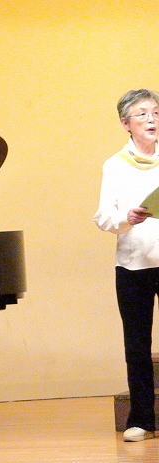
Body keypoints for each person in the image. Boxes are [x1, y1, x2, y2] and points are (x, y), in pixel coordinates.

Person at [94, 89, 159, 442]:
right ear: (125, 124)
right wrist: (127, 218)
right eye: (143, 114)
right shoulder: (115, 165)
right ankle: (142, 420)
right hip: (133, 266)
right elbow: (104, 217)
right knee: (136, 346)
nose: (152, 120)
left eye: (156, 113)